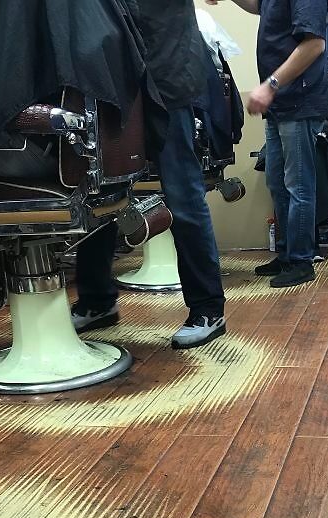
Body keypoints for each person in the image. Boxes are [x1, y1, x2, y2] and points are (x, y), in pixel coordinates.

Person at [72, 0, 227, 350]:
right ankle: (97, 300)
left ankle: (208, 309)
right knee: (100, 192)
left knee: (183, 195)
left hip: (167, 74)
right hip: (114, 82)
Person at [207, 0, 328, 288]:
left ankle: (301, 261)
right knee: (277, 181)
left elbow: (314, 45)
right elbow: (258, 6)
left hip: (298, 101)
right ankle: (287, 254)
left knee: (298, 184)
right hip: (281, 104)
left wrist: (270, 84)